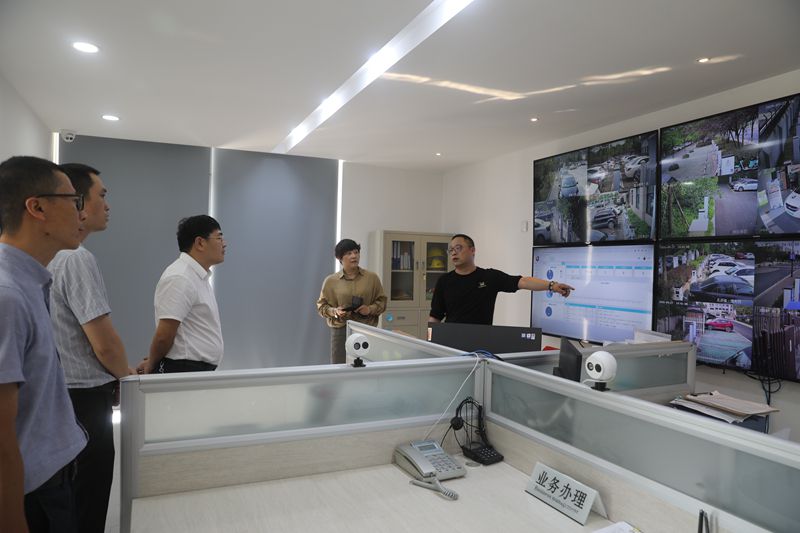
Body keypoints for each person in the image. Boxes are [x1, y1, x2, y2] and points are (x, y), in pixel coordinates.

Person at [0, 155, 88, 532]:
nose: (81, 213)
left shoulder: (31, 282)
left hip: (49, 485)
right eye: (73, 200)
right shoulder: (8, 295)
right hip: (31, 499)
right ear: (37, 207)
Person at [47, 163, 133, 533]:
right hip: (83, 400)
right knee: (88, 498)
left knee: (66, 499)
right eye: (102, 196)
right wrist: (127, 378)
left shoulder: (47, 255)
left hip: (59, 395)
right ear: (78, 203)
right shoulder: (75, 258)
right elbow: (104, 342)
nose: (107, 206)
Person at [138, 215, 225, 374]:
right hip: (183, 369)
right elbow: (164, 335)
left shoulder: (198, 276)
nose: (224, 244)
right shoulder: (180, 277)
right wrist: (151, 364)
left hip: (196, 369)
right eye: (219, 238)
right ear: (200, 243)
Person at [429, 234, 574, 325]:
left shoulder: (489, 277)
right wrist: (430, 344)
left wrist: (551, 285)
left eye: (458, 248)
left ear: (472, 250)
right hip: (452, 343)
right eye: (451, 250)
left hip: (482, 344)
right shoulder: (444, 281)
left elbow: (523, 282)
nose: (453, 252)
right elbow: (435, 317)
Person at [317, 239, 387, 363]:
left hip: (366, 329)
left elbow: (382, 302)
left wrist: (369, 309)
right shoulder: (331, 281)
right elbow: (321, 307)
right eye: (349, 253)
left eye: (356, 252)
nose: (354, 256)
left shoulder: (372, 278)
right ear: (340, 258)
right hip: (341, 331)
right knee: (340, 367)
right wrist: (335, 311)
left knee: (367, 366)